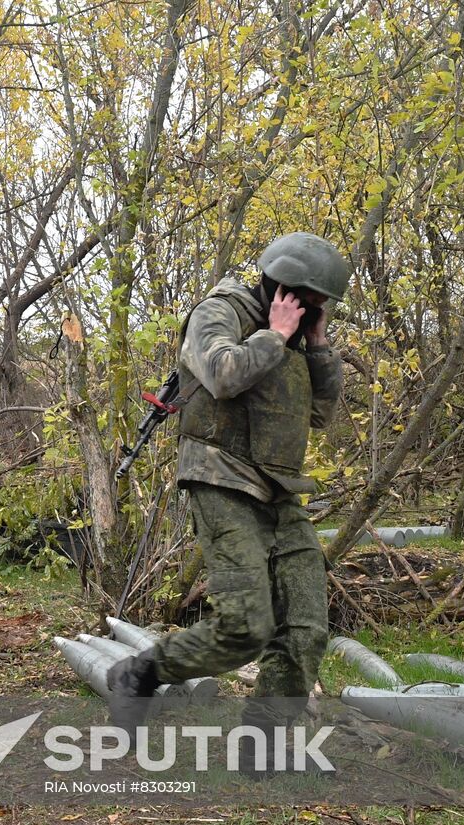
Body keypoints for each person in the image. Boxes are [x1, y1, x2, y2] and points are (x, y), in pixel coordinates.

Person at [106, 232, 348, 746]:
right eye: (315, 300)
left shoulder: (301, 337)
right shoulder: (221, 311)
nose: (319, 309)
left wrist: (318, 345)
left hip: (279, 489)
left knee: (306, 628)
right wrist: (276, 335)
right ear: (287, 288)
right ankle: (140, 673)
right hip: (221, 477)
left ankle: (262, 744)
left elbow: (321, 415)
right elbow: (221, 374)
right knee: (245, 624)